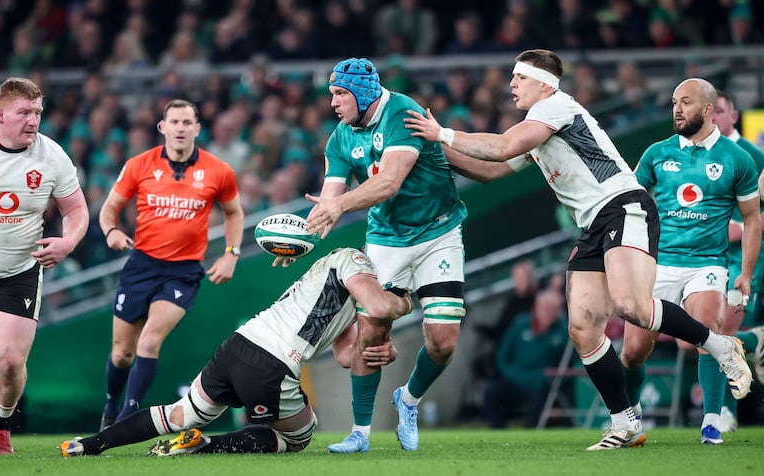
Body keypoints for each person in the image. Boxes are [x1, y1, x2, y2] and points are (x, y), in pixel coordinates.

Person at [403, 49, 753, 450]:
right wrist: (434, 149)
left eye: (519, 77)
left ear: (543, 84)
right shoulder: (538, 124)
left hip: (622, 207)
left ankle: (720, 345)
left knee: (632, 306)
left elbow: (501, 147)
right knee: (583, 328)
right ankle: (625, 423)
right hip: (593, 224)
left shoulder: (555, 106)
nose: (512, 84)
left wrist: (441, 133)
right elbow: (489, 170)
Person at [59, 248, 412, 457]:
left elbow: (345, 355)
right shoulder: (356, 261)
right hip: (273, 363)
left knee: (179, 414)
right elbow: (382, 306)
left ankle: (89, 444)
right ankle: (206, 445)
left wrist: (377, 351)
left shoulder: (342, 281)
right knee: (299, 436)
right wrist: (408, 302)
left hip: (239, 344)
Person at [301, 57, 468, 453]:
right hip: (386, 239)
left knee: (443, 342)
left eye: (340, 94)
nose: (333, 103)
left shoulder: (402, 112)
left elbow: (389, 182)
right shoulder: (339, 138)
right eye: (332, 94)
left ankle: (407, 400)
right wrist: (301, 240)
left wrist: (339, 206)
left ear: (362, 93)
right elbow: (329, 199)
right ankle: (360, 433)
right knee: (372, 334)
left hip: (439, 232)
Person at [619, 79, 761, 445]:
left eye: (685, 102)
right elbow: (629, 203)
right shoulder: (657, 153)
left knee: (707, 333)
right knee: (632, 353)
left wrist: (745, 273)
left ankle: (712, 422)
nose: (677, 109)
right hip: (658, 264)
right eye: (673, 103)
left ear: (708, 109)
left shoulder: (737, 158)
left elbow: (753, 220)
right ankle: (630, 419)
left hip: (707, 264)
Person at [97, 99, 244, 430]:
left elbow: (234, 213)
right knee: (122, 353)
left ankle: (125, 422)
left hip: (183, 272)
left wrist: (231, 254)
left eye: (186, 122)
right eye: (174, 122)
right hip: (141, 266)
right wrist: (111, 231)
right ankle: (111, 406)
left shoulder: (219, 170)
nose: (180, 128)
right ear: (162, 127)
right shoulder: (139, 165)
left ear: (197, 129)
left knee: (149, 341)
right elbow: (109, 209)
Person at [0, 77, 89, 454]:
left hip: (18, 271)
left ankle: (0, 427)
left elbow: (76, 209)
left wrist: (68, 241)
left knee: (7, 360)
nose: (33, 120)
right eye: (24, 113)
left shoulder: (52, 156)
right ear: (0, 114)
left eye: (37, 112)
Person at [713, 89, 764, 433]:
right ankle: (757, 340)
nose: (713, 117)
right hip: (706, 259)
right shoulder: (695, 155)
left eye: (719, 111)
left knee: (722, 333)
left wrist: (740, 229)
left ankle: (724, 411)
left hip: (744, 260)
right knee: (694, 341)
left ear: (734, 116)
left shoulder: (752, 156)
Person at [482, 288, 568, 428]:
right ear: (536, 307)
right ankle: (497, 432)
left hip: (543, 384)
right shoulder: (520, 324)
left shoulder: (564, 331)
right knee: (491, 391)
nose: (548, 312)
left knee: (544, 394)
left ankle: (532, 432)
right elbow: (502, 357)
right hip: (515, 380)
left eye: (552, 309)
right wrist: (515, 375)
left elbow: (571, 363)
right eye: (545, 308)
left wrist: (550, 377)